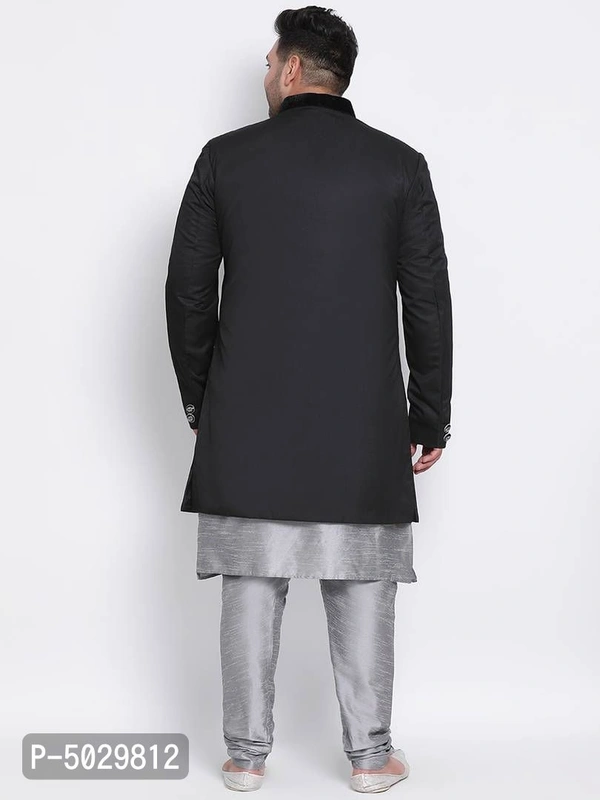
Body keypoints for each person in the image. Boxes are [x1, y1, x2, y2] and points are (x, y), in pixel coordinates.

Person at [165, 6, 453, 793]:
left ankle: (243, 759)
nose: (265, 72)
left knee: (251, 584)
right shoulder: (399, 166)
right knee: (361, 583)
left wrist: (201, 401)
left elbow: (188, 293)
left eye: (269, 62)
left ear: (292, 69)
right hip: (362, 424)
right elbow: (426, 302)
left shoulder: (224, 159)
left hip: (245, 420)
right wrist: (430, 414)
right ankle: (370, 759)